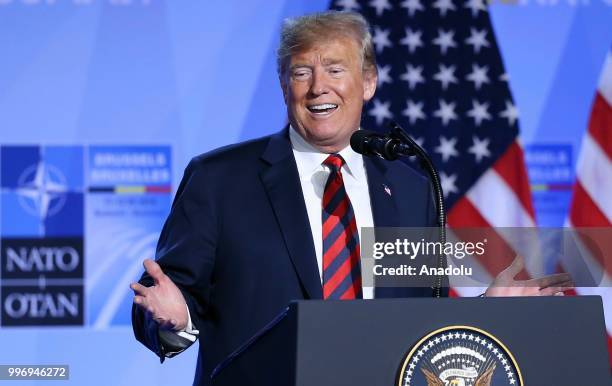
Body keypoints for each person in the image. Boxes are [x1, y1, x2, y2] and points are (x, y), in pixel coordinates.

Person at [130, 11, 573, 386]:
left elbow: (420, 320)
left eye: (335, 70)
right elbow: (163, 301)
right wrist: (176, 322)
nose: (318, 86)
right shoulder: (219, 180)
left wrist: (484, 314)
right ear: (284, 86)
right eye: (302, 72)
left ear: (368, 83)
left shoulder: (410, 186)